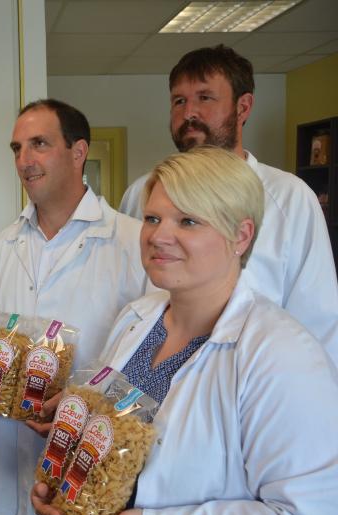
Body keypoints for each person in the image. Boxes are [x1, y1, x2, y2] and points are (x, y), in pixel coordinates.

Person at [34, 146, 338, 515]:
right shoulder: (137, 319)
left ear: (241, 235)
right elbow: (115, 432)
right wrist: (63, 484)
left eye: (188, 221)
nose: (159, 236)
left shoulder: (283, 356)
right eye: (153, 218)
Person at [0, 99, 148, 515]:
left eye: (40, 144)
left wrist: (89, 402)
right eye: (17, 148)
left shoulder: (132, 243)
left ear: (78, 151)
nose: (24, 160)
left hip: (90, 467)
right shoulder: (3, 247)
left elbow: (154, 366)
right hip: (10, 460)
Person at [119, 44, 338, 361]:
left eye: (205, 98)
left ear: (243, 107)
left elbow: (320, 322)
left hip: (253, 380)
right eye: (179, 101)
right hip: (149, 376)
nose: (189, 112)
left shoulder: (289, 197)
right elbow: (129, 292)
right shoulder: (143, 191)